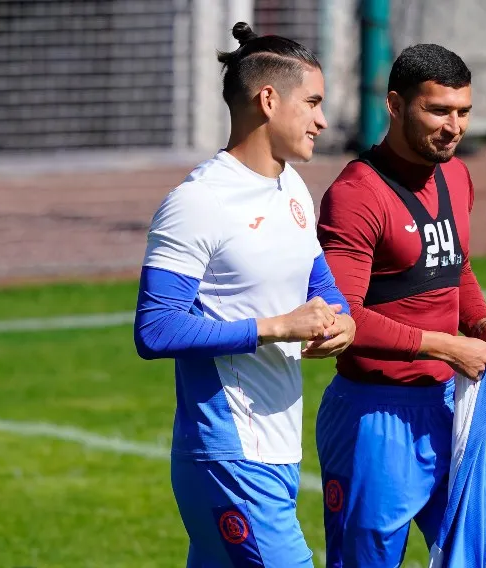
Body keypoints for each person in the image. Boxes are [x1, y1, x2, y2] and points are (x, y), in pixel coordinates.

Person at [133, 22, 355, 568]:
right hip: (228, 452)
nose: (323, 120)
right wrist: (277, 327)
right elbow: (156, 329)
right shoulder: (198, 202)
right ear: (269, 100)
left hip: (278, 448)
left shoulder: (292, 187)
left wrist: (343, 321)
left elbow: (320, 284)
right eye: (312, 103)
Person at [315, 43, 486, 567]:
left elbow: (456, 267)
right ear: (395, 104)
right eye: (438, 111)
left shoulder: (456, 175)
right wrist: (445, 346)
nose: (454, 127)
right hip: (375, 418)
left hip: (452, 409)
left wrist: (483, 323)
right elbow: (341, 317)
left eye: (463, 112)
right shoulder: (356, 195)